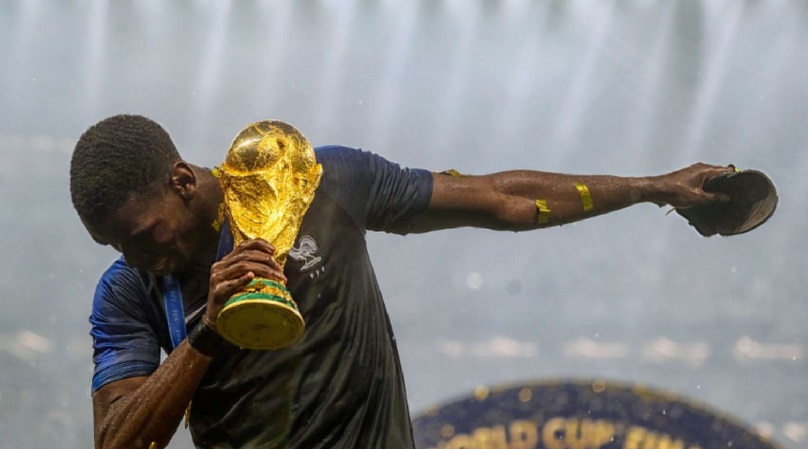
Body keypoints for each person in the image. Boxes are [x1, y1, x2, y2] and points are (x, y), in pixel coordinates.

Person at [69, 114, 733, 449]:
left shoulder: (321, 185)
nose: (135, 256)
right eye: (115, 246)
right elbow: (120, 441)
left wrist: (653, 187)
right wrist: (208, 335)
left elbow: (498, 199)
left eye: (143, 234)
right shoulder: (127, 292)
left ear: (182, 181)